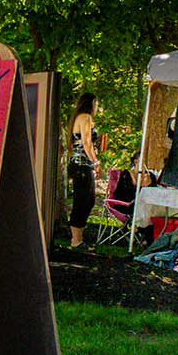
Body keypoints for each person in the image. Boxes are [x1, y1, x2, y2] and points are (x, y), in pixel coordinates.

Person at [68, 93, 100, 247]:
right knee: (83, 200)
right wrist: (96, 161)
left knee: (88, 200)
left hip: (81, 165)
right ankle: (76, 240)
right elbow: (87, 142)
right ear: (92, 103)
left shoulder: (79, 117)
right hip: (81, 165)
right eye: (97, 103)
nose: (97, 107)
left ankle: (78, 238)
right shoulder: (85, 117)